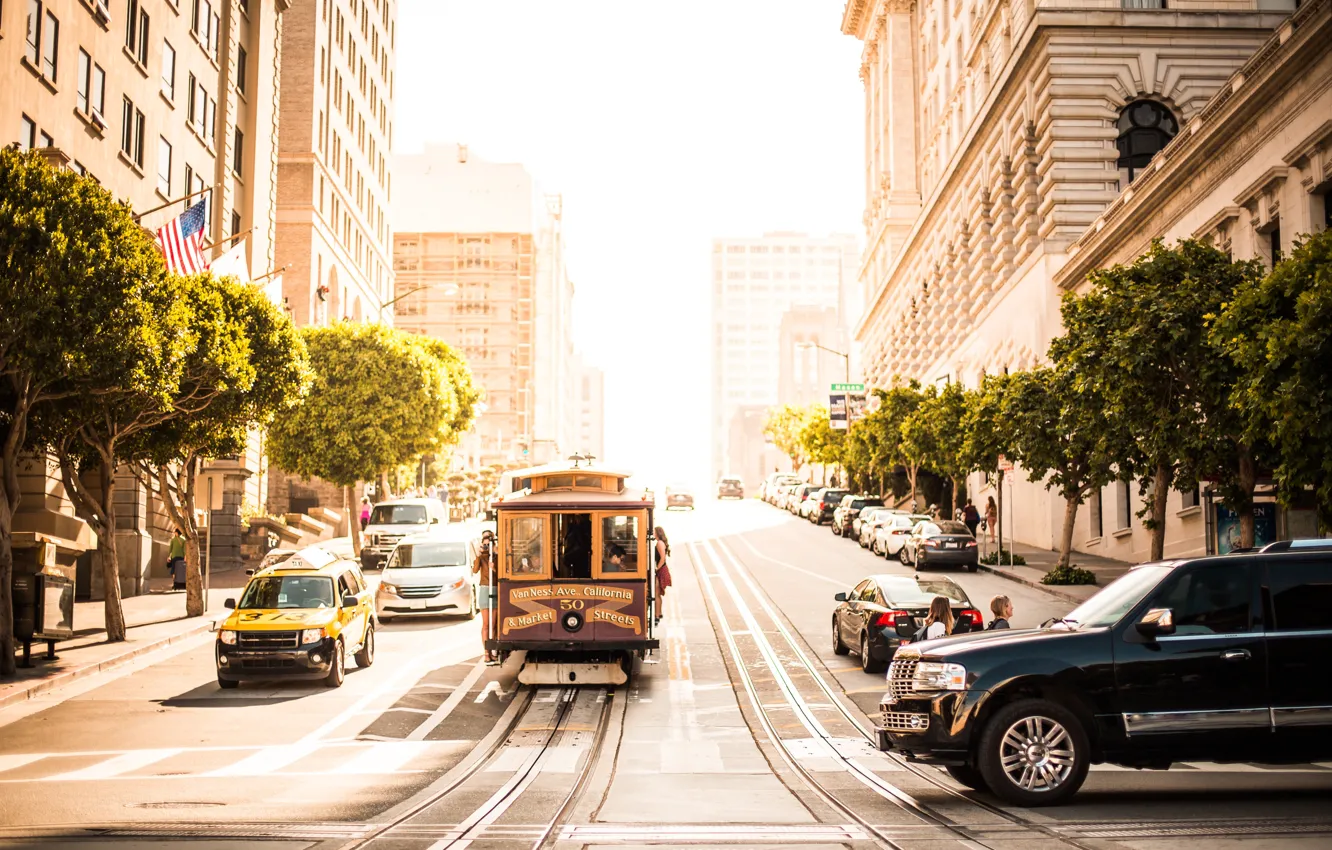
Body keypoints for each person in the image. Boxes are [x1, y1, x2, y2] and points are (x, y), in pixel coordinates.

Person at [474, 530, 498, 663]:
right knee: (486, 624)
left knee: (493, 624)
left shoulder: (497, 557)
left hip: (495, 589)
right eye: (484, 545)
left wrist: (493, 568)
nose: (486, 548)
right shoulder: (482, 557)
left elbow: (501, 574)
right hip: (484, 589)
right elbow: (475, 570)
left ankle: (493, 650)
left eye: (489, 545)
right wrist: (478, 555)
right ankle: (486, 652)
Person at [653, 526, 671, 625]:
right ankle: (658, 613)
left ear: (658, 533)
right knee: (657, 594)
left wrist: (656, 569)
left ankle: (657, 616)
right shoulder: (659, 543)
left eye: (654, 532)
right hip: (661, 570)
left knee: (656, 594)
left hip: (661, 570)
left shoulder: (659, 543)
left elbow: (662, 558)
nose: (652, 533)